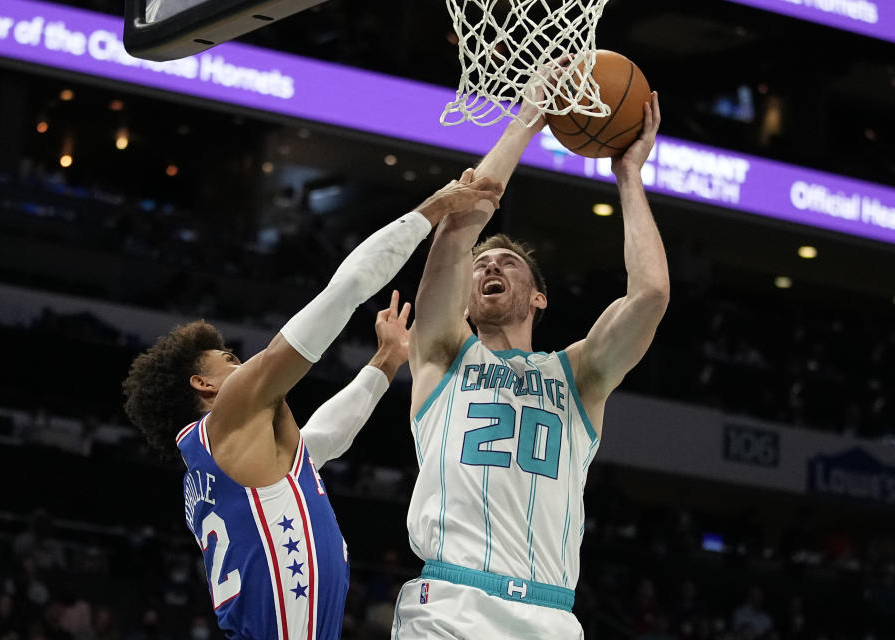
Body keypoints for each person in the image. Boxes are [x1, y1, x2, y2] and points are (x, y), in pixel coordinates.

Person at [121, 175, 502, 640]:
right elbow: (345, 291)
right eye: (231, 361)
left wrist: (385, 361)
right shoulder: (230, 413)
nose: (246, 365)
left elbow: (320, 441)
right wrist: (430, 210)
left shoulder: (218, 467)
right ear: (203, 385)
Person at [393, 87, 669, 639]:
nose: (490, 265)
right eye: (481, 264)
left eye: (508, 263)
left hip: (548, 614)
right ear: (467, 299)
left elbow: (651, 294)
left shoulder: (580, 376)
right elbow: (456, 229)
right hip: (450, 601)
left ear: (539, 297)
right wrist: (526, 121)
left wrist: (629, 177)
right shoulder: (442, 353)